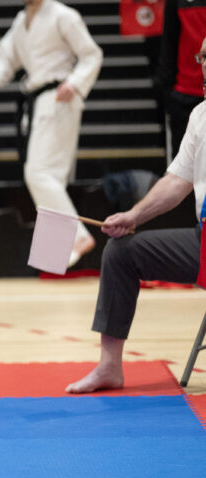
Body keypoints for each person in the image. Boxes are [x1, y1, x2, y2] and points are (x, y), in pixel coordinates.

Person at [66, 37, 206, 394]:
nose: (203, 64)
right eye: (201, 56)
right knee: (122, 252)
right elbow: (176, 182)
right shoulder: (200, 116)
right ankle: (109, 368)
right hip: (203, 240)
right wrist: (132, 216)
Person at [0, 0, 101, 268]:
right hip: (38, 101)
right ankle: (54, 255)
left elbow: (92, 54)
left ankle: (78, 237)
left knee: (38, 173)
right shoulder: (22, 20)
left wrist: (76, 83)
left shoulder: (63, 15)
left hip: (59, 97)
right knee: (51, 176)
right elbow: (4, 56)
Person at [158, 0, 206, 158]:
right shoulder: (176, 2)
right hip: (185, 95)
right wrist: (170, 94)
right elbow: (169, 44)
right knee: (184, 169)